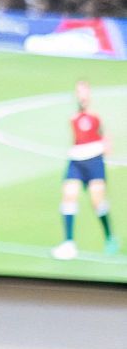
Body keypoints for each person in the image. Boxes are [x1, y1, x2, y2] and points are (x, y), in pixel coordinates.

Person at [53, 79, 116, 260]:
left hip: (95, 161)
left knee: (97, 201)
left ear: (88, 94)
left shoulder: (96, 116)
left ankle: (109, 235)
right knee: (69, 195)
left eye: (83, 91)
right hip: (76, 161)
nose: (81, 95)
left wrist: (106, 148)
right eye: (78, 92)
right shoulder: (73, 118)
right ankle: (68, 242)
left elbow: (105, 136)